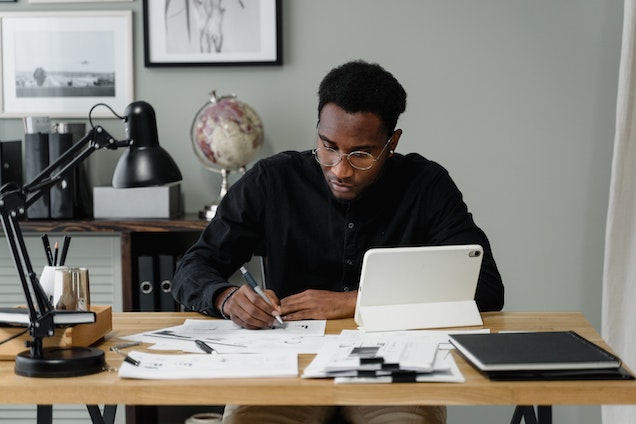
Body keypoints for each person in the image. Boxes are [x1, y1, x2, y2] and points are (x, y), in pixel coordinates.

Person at [173, 60, 504, 424]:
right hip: (287, 360)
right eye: (328, 146)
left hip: (392, 360)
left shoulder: (426, 186)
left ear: (391, 144)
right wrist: (227, 297)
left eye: (361, 153)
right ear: (317, 129)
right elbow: (193, 268)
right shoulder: (273, 180)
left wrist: (353, 302)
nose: (340, 169)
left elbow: (486, 287)